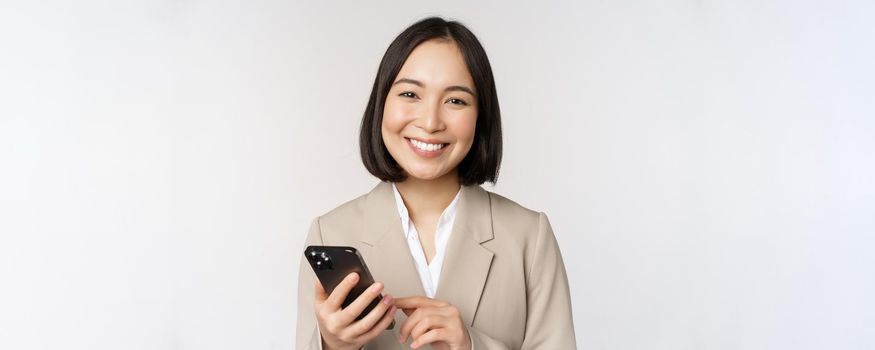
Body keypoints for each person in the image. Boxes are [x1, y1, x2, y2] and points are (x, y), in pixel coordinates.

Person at [296, 17, 575, 350]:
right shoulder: (331, 233)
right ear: (382, 103)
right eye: (410, 94)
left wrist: (471, 345)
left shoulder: (530, 237)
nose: (430, 122)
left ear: (480, 117)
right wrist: (333, 345)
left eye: (455, 100)